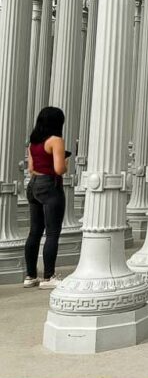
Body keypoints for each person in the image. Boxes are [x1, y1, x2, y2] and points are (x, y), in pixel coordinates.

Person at [23, 107, 68, 289]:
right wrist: (65, 162)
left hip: (34, 184)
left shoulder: (33, 142)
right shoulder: (56, 141)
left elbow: (31, 168)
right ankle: (49, 276)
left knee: (34, 232)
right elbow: (59, 169)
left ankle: (30, 275)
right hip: (50, 185)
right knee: (52, 233)